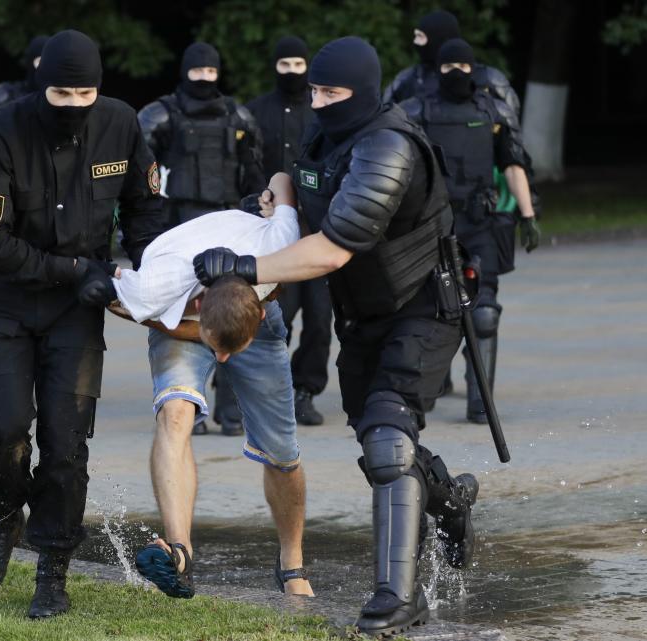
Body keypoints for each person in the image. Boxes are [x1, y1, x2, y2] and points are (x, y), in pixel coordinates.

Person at [193, 37, 480, 637]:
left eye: (333, 92)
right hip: (365, 315)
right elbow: (301, 174)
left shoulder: (388, 146)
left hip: (422, 309)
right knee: (379, 434)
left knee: (387, 440)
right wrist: (276, 193)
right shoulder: (332, 134)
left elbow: (331, 249)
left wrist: (243, 267)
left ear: (364, 92)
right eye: (316, 90)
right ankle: (450, 501)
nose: (320, 101)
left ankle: (396, 599)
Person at [0, 30, 164, 619]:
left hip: (76, 313)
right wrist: (76, 269)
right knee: (6, 431)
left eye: (85, 92)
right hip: (5, 302)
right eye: (62, 92)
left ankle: (53, 570)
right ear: (39, 84)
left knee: (68, 448)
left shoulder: (121, 124)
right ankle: (5, 515)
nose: (74, 104)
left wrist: (150, 275)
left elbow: (145, 208)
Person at [109, 172, 313, 598]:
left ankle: (292, 564)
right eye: (218, 351)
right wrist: (178, 323)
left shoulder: (278, 247)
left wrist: (271, 192)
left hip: (240, 304)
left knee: (281, 450)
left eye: (229, 352)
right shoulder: (156, 284)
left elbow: (283, 178)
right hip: (175, 309)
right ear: (199, 307)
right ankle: (178, 553)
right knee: (176, 412)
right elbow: (119, 302)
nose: (223, 362)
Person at [401, 39, 539, 424]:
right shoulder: (416, 110)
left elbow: (512, 164)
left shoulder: (491, 109)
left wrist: (527, 215)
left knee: (484, 315)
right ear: (437, 70)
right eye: (448, 67)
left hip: (480, 224)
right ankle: (420, 394)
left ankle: (481, 401)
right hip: (433, 226)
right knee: (428, 310)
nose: (456, 74)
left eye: (464, 66)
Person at [138, 41, 264, 436]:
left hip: (230, 225)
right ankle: (189, 402)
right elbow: (142, 169)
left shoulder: (236, 114)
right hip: (182, 227)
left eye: (211, 72)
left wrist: (257, 215)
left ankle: (232, 409)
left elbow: (254, 168)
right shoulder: (162, 114)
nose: (204, 79)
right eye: (198, 72)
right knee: (186, 316)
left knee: (235, 314)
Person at [245, 35, 330, 426]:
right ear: (274, 66)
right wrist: (253, 202)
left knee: (319, 317)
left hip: (320, 230)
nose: (293, 72)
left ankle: (305, 391)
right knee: (276, 312)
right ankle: (264, 390)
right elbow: (244, 165)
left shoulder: (322, 112)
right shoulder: (254, 112)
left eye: (299, 65)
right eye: (285, 65)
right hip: (271, 229)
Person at [383, 9, 520, 118]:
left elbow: (510, 121)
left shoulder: (489, 79)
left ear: (437, 38)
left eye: (420, 36)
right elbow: (386, 118)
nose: (415, 42)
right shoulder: (408, 79)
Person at [0, 35, 48, 133]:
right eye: (40, 61)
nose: (45, 66)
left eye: (49, 62)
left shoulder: (61, 99)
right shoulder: (0, 97)